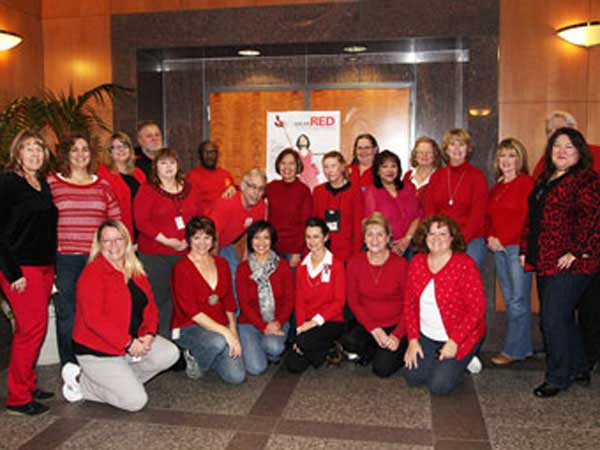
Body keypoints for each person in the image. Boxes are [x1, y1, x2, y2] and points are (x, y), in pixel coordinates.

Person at [61, 220, 179, 411]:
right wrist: (128, 343)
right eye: (107, 241)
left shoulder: (135, 269)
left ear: (127, 241)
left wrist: (148, 334)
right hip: (98, 350)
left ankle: (122, 380)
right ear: (99, 245)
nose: (114, 245)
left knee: (169, 353)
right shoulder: (92, 274)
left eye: (118, 239)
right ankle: (82, 382)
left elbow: (150, 307)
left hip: (129, 344)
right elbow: (94, 320)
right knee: (135, 402)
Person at [520, 128, 600, 397]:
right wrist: (524, 249)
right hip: (545, 260)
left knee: (552, 318)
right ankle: (578, 366)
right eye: (556, 146)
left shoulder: (586, 180)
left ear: (579, 152)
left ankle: (557, 377)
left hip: (572, 264)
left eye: (568, 147)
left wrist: (577, 251)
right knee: (561, 317)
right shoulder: (544, 180)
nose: (561, 151)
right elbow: (531, 219)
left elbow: (593, 220)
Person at [48, 133, 121, 366]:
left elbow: (115, 223)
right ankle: (71, 369)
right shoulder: (52, 183)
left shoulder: (103, 185)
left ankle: (96, 365)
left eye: (85, 149)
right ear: (66, 154)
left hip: (97, 260)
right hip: (65, 260)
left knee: (97, 314)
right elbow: (41, 223)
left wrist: (119, 256)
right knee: (68, 316)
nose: (81, 154)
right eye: (75, 150)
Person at [0, 131, 57, 416]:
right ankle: (18, 398)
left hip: (44, 267)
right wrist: (13, 274)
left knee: (35, 330)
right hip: (20, 269)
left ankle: (29, 383)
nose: (35, 154)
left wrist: (53, 269)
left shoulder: (41, 183)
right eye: (28, 149)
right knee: (30, 331)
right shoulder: (8, 183)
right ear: (17, 153)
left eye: (39, 149)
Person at [403, 215, 486, 395]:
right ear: (424, 238)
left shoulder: (464, 264)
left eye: (442, 234)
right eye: (431, 234)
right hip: (427, 334)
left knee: (439, 386)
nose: (436, 239)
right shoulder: (417, 262)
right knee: (413, 377)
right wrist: (412, 340)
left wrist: (455, 341)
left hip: (459, 336)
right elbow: (409, 304)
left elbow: (476, 310)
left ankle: (466, 358)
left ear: (452, 238)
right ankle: (445, 361)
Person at [134, 148, 202, 338]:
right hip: (156, 254)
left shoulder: (189, 188)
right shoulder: (147, 189)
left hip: (184, 253)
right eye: (163, 163)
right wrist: (167, 241)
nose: (168, 167)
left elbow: (198, 217)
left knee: (182, 300)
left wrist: (189, 240)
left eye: (171, 162)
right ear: (155, 167)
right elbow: (141, 221)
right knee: (160, 300)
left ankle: (180, 342)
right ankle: (159, 341)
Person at [171, 216, 245, 384]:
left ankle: (210, 353)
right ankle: (193, 355)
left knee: (236, 377)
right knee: (218, 342)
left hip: (218, 325)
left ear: (213, 240)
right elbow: (193, 313)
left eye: (207, 237)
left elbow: (229, 302)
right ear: (189, 240)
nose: (202, 243)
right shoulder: (181, 268)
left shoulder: (221, 263)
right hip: (189, 327)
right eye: (196, 237)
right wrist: (226, 333)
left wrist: (233, 331)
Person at [486, 138, 534, 365]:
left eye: (511, 155)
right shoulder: (497, 186)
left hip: (517, 250)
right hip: (499, 249)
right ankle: (523, 348)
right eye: (502, 156)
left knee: (517, 300)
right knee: (512, 300)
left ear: (519, 159)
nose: (506, 160)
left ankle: (512, 350)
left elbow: (531, 220)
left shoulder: (526, 183)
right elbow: (489, 219)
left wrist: (525, 248)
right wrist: (490, 237)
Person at [342, 213, 408, 377]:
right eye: (370, 234)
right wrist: (374, 329)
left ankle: (395, 349)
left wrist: (397, 335)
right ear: (364, 239)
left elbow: (411, 304)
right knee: (349, 341)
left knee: (382, 370)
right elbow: (354, 301)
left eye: (380, 234)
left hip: (396, 325)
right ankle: (376, 347)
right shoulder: (354, 263)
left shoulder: (400, 265)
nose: (375, 239)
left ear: (388, 238)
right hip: (369, 324)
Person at [285, 218, 345, 373]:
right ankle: (328, 351)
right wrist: (300, 327)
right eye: (308, 237)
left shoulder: (336, 265)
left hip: (330, 320)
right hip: (307, 324)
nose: (312, 241)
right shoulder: (301, 267)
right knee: (293, 364)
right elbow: (299, 301)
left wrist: (312, 324)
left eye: (316, 236)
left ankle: (320, 346)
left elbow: (339, 302)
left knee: (304, 342)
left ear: (326, 237)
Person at [424, 129, 488, 269]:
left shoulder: (477, 177)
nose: (457, 149)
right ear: (446, 149)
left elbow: (478, 216)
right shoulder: (437, 177)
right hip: (440, 237)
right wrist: (439, 237)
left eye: (462, 144)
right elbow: (430, 211)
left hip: (470, 239)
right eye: (452, 144)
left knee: (462, 270)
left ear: (468, 149)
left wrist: (457, 241)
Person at [236, 221, 293, 375]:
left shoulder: (283, 266)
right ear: (250, 241)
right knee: (256, 368)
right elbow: (244, 304)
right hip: (250, 322)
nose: (261, 243)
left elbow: (289, 301)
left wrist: (278, 322)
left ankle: (267, 350)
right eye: (256, 238)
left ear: (272, 240)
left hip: (276, 320)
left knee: (274, 348)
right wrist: (263, 327)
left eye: (266, 238)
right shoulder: (243, 269)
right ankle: (257, 347)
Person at [208, 168, 267, 280]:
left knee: (238, 276)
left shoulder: (260, 206)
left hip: (226, 244)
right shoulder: (227, 203)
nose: (256, 193)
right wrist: (214, 264)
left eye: (261, 189)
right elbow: (213, 234)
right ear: (243, 186)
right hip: (206, 243)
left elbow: (252, 236)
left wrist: (245, 264)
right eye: (253, 187)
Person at [364, 150, 422, 258]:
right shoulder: (372, 192)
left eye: (393, 166)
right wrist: (389, 244)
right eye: (385, 166)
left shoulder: (408, 188)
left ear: (398, 169)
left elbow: (417, 216)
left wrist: (406, 239)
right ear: (377, 171)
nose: (389, 170)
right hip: (384, 247)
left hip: (410, 246)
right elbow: (372, 223)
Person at [265, 148, 313, 269]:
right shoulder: (271, 187)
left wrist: (298, 251)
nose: (287, 167)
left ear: (297, 166)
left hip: (293, 251)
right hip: (271, 249)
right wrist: (232, 188)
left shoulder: (304, 190)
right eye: (283, 163)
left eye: (291, 163)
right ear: (278, 165)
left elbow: (305, 224)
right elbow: (251, 191)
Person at [312, 151, 363, 263]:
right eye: (326, 167)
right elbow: (314, 224)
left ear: (342, 167)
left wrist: (356, 256)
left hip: (346, 253)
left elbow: (358, 227)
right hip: (322, 251)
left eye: (333, 166)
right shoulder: (318, 191)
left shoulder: (354, 191)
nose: (329, 171)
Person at [98, 132, 147, 240]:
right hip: (117, 230)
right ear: (109, 152)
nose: (121, 150)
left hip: (141, 230)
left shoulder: (139, 173)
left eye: (125, 146)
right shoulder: (103, 173)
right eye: (116, 147)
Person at [186, 140, 236, 214]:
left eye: (213, 152)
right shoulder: (192, 176)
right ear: (199, 156)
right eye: (206, 152)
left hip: (227, 218)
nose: (210, 156)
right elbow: (191, 206)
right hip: (206, 221)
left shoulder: (226, 175)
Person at [403, 136, 444, 205]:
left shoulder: (441, 177)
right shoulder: (408, 176)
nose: (424, 155)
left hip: (432, 216)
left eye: (429, 152)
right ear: (415, 155)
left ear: (435, 155)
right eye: (420, 152)